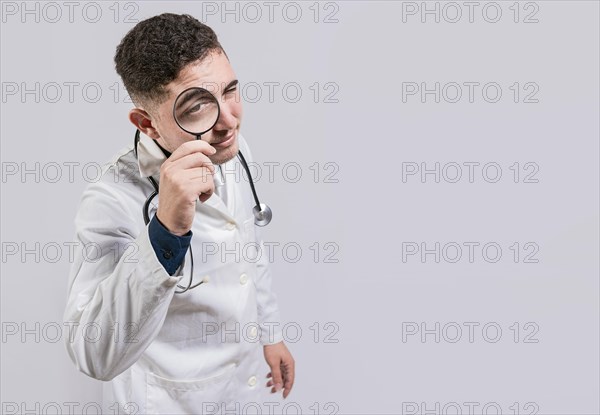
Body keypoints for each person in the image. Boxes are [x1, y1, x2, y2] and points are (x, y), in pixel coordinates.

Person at [63, 13, 295, 413]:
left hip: (242, 387)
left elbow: (248, 250)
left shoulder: (235, 153)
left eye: (231, 91)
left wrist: (270, 333)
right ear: (147, 124)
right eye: (197, 108)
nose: (228, 122)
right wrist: (165, 230)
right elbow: (94, 354)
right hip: (168, 402)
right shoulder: (111, 199)